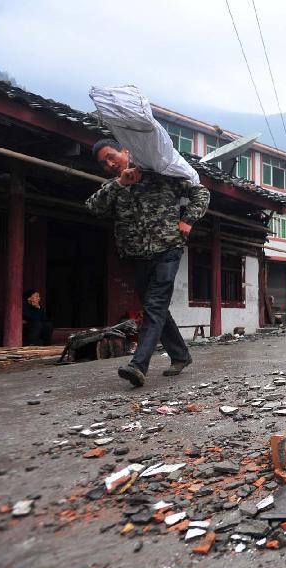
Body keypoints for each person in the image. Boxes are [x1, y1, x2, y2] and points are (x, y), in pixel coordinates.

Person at [84, 138, 210, 387]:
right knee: (157, 307)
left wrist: (188, 221)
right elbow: (92, 207)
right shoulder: (114, 187)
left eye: (112, 156)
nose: (110, 164)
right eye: (104, 163)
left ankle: (138, 365)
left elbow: (201, 192)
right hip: (138, 257)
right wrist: (120, 183)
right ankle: (181, 355)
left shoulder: (160, 175)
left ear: (126, 150)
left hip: (168, 249)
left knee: (154, 306)